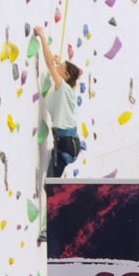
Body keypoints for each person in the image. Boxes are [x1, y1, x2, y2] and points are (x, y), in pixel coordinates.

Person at [38, 28, 83, 178]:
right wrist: (60, 62)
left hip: (66, 142)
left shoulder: (63, 88)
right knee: (51, 183)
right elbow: (57, 67)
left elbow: (50, 65)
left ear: (65, 75)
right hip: (67, 141)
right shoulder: (67, 89)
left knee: (50, 184)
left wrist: (43, 37)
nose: (57, 67)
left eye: (61, 68)